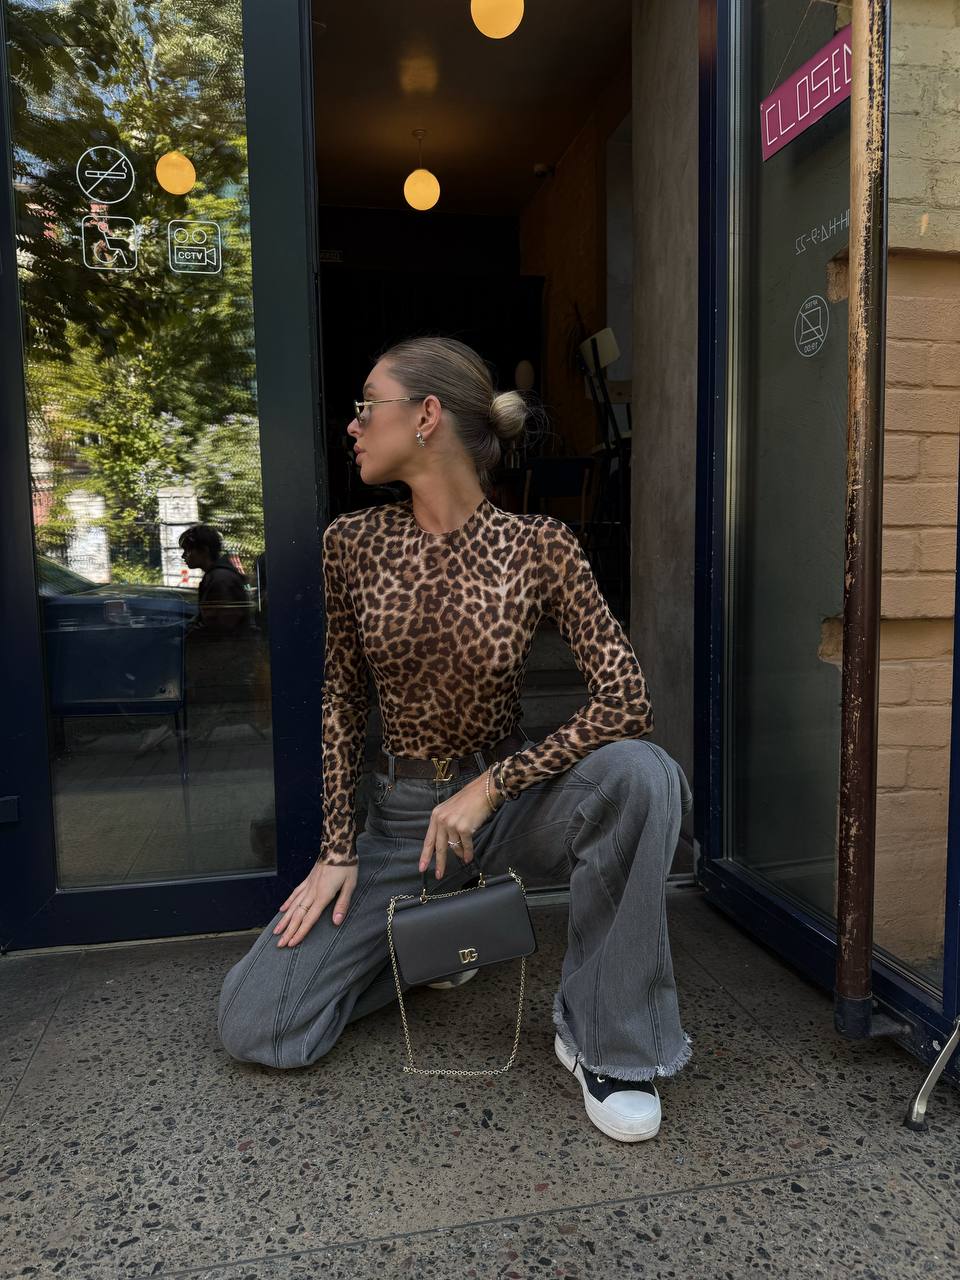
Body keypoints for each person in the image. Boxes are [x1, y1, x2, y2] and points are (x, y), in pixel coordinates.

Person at [217, 336, 693, 1144]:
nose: (355, 426)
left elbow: (627, 699)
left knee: (643, 776)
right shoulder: (352, 544)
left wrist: (493, 787)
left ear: (427, 416)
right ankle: (440, 943)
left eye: (370, 405)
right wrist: (337, 849)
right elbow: (340, 700)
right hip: (403, 823)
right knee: (260, 1022)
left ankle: (608, 1044)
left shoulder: (541, 546)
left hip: (506, 807)